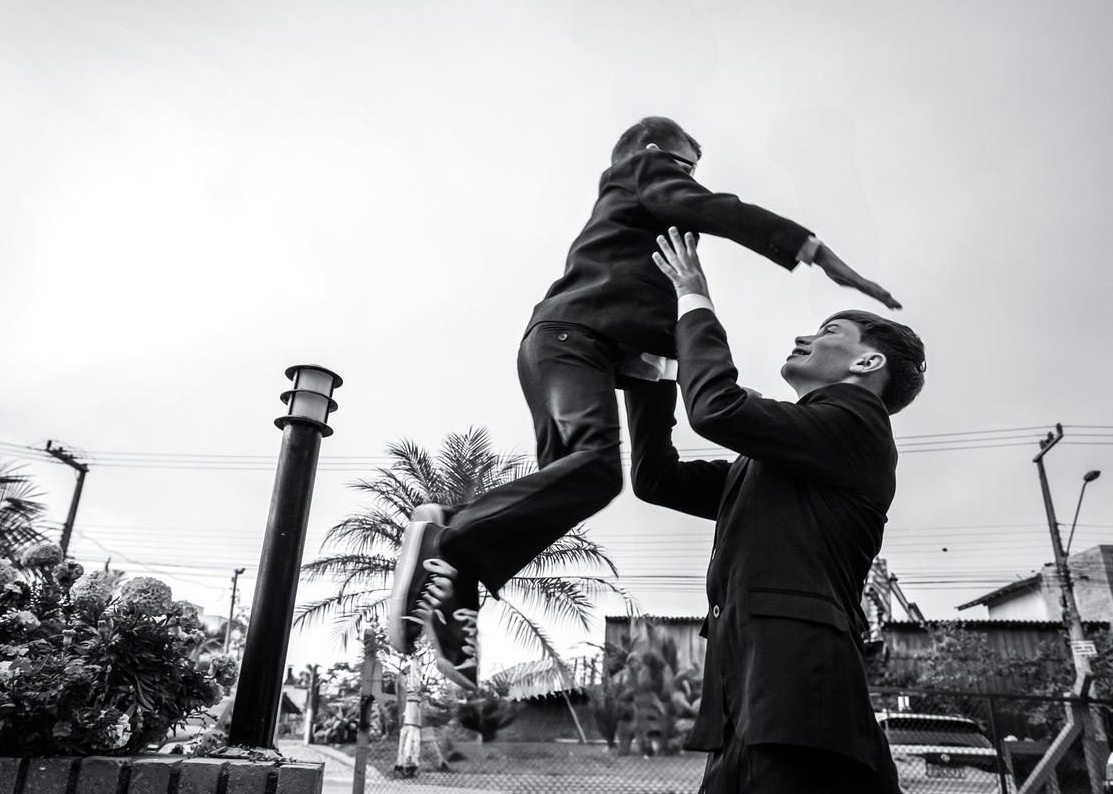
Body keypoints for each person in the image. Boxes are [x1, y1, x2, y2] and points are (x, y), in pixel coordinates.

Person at [388, 116, 902, 690]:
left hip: (608, 354)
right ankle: (450, 536)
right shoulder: (641, 168)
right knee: (594, 469)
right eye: (686, 170)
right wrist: (810, 248)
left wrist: (717, 381)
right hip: (572, 338)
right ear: (655, 155)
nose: (688, 184)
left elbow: (656, 477)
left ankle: (455, 578)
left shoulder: (657, 312)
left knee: (570, 487)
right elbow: (715, 208)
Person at [627, 227, 924, 793]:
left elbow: (717, 408)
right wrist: (654, 370)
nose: (804, 336)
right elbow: (656, 479)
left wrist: (693, 296)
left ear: (869, 361)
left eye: (829, 330)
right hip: (745, 710)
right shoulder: (779, 459)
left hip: (800, 706)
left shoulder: (857, 423)